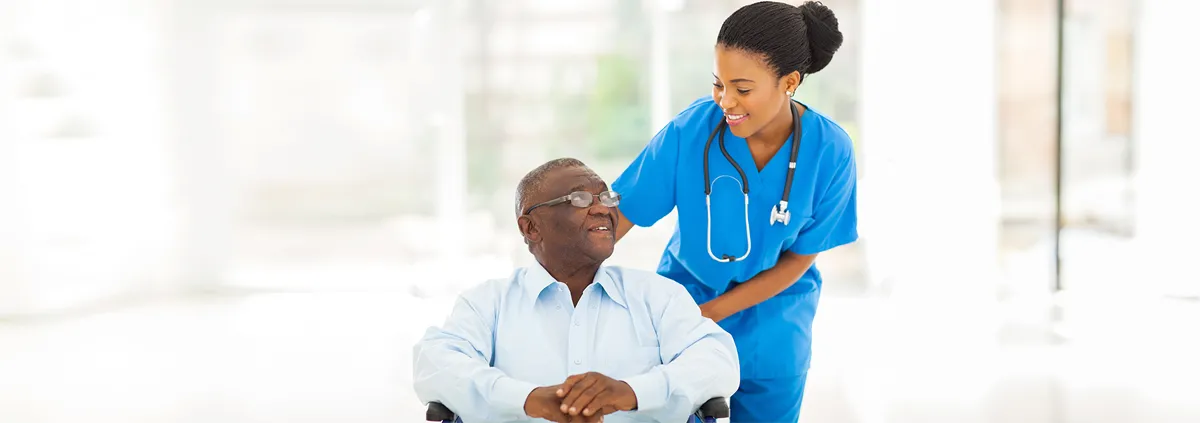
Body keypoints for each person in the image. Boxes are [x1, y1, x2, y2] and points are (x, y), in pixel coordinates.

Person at [610, 1, 857, 422]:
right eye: (718, 84)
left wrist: (712, 313)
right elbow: (618, 217)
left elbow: (800, 258)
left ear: (790, 82)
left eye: (742, 89)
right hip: (684, 314)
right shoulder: (691, 132)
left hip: (774, 325)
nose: (726, 101)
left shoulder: (830, 151)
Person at [412, 158, 740, 423]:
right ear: (531, 227)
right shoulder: (486, 303)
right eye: (580, 198)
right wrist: (528, 400)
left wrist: (630, 392)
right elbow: (436, 364)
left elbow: (717, 360)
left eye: (607, 197)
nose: (603, 208)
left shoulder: (657, 295)